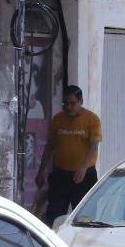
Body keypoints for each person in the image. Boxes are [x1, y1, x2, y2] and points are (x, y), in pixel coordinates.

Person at [38, 85, 102, 222]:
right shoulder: (58, 119)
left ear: (81, 102)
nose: (69, 107)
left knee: (85, 218)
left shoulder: (92, 120)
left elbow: (93, 146)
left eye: (73, 103)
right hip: (60, 175)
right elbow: (50, 146)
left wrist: (84, 167)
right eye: (65, 103)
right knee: (54, 216)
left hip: (84, 176)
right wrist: (41, 170)